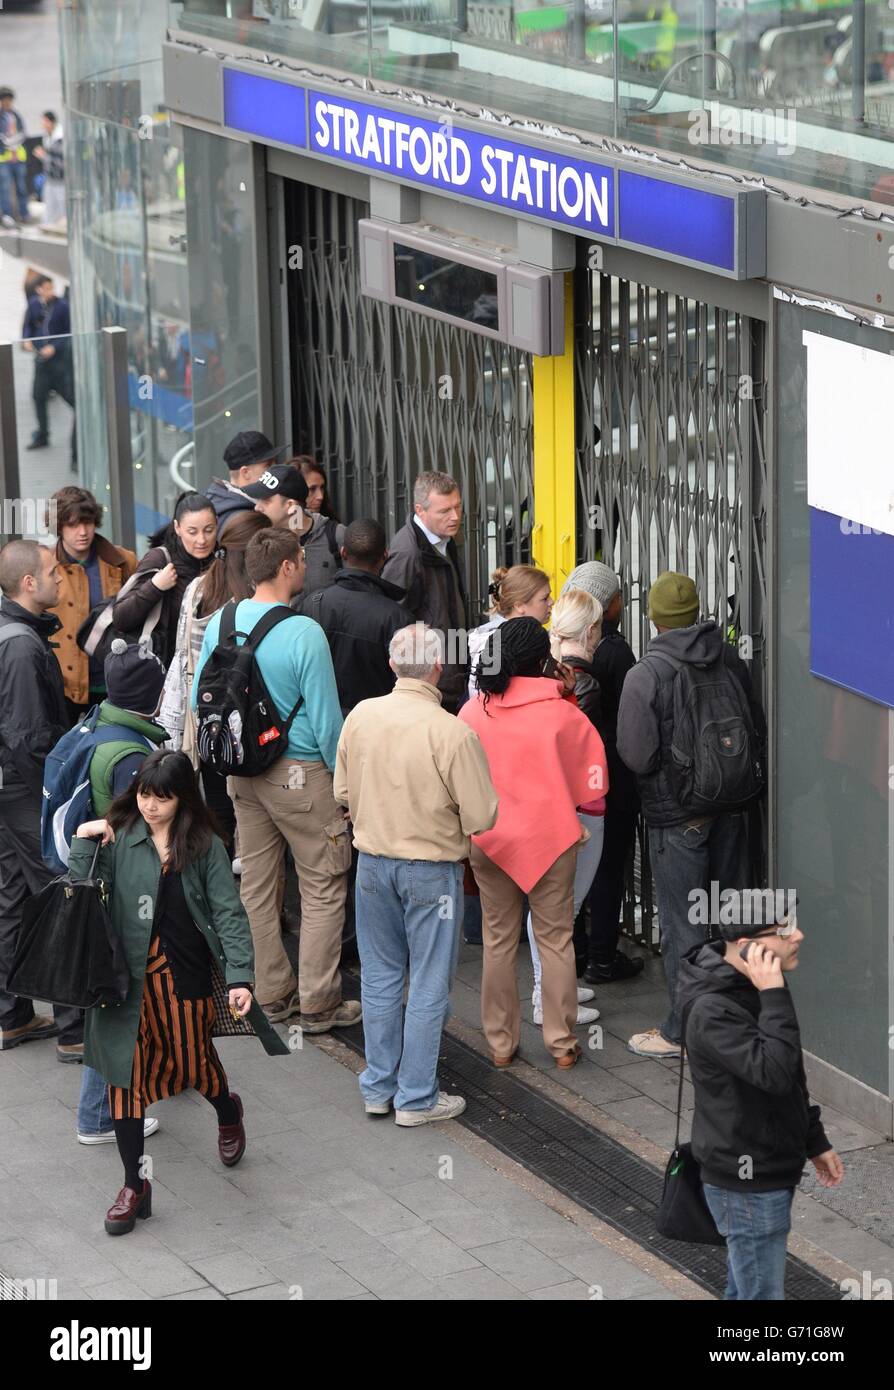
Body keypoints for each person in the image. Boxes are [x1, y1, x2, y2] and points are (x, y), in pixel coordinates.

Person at [70, 749, 286, 1236]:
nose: (150, 805)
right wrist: (86, 840)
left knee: (195, 1065)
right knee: (124, 1080)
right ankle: (134, 1186)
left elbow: (228, 911)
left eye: (161, 798)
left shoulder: (204, 843)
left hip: (181, 972)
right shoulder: (121, 835)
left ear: (182, 798)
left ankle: (228, 1111)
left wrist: (240, 977)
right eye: (145, 794)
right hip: (121, 981)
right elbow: (83, 887)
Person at [191, 528, 360, 1034]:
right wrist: (345, 786)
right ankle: (318, 1003)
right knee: (323, 886)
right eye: (302, 560)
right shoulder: (304, 632)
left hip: (242, 775)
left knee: (258, 888)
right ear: (288, 566)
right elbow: (329, 723)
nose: (306, 567)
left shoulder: (222, 621)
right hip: (301, 776)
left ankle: (270, 993)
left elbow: (203, 693)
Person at [334, 623, 498, 1124]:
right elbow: (482, 816)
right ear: (437, 669)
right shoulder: (451, 731)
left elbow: (341, 792)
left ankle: (378, 1087)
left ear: (391, 666)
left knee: (380, 978)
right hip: (431, 872)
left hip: (372, 866)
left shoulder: (361, 716)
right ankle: (417, 1096)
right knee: (428, 981)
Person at [617, 572, 766, 1059]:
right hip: (735, 808)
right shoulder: (729, 657)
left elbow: (636, 754)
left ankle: (684, 1031)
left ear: (654, 618)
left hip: (678, 818)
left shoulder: (646, 674)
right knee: (732, 918)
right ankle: (738, 1018)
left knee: (684, 926)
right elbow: (755, 725)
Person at [459, 617, 608, 1069]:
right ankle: (562, 1043)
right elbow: (594, 791)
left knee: (498, 939)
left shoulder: (473, 711)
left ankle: (501, 1044)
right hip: (551, 839)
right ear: (543, 660)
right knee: (556, 940)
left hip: (490, 838)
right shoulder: (564, 714)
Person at [678, 902, 844, 1300]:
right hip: (746, 1180)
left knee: (747, 1286)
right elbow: (774, 1073)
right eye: (784, 931)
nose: (798, 936)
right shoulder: (714, 1009)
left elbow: (791, 1075)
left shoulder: (750, 980)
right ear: (747, 945)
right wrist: (773, 995)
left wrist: (813, 1140)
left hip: (766, 1163)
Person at [74, 637, 169, 1147]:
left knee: (118, 995)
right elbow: (144, 831)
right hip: (126, 892)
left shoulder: (99, 724)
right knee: (119, 999)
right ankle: (96, 1115)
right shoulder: (131, 755)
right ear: (152, 695)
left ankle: (161, 1076)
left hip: (99, 884)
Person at [0, 541, 83, 1060]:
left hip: (9, 789)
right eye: (53, 572)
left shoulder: (17, 636)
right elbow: (30, 736)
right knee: (60, 895)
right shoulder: (22, 646)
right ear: (29, 584)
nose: (62, 580)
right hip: (27, 791)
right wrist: (56, 801)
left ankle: (12, 1013)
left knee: (12, 895)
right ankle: (75, 1028)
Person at [160, 508, 272, 850]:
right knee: (254, 817)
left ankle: (222, 880)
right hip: (248, 720)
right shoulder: (251, 604)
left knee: (219, 809)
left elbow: (182, 654)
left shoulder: (197, 588)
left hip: (206, 717)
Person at [525, 588, 605, 1027]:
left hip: (563, 805)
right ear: (591, 629)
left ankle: (557, 986)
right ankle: (547, 998)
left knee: (554, 906)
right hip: (580, 807)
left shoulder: (547, 673)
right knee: (560, 909)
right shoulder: (582, 682)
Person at [563, 562, 644, 984]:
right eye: (616, 595)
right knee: (609, 866)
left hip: (574, 779)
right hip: (610, 774)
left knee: (574, 867)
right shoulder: (614, 652)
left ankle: (574, 951)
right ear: (607, 606)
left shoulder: (558, 650)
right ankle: (602, 957)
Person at [297, 518, 413, 715]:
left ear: (343, 552)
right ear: (385, 555)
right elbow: (405, 688)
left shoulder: (312, 603)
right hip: (376, 726)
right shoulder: (398, 618)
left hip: (321, 722)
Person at [48, 486, 138, 725]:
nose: (83, 532)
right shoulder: (47, 567)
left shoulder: (122, 561)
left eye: (87, 523)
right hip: (66, 685)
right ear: (59, 527)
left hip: (113, 676)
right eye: (73, 525)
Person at [381, 471, 469, 714]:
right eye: (444, 511)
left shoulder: (444, 536)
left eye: (458, 507)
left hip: (450, 671)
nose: (455, 517)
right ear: (420, 510)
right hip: (429, 682)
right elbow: (395, 620)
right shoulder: (408, 554)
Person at [112, 492, 217, 670]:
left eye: (209, 530)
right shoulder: (160, 559)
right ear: (177, 528)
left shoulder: (221, 560)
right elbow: (121, 618)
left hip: (210, 671)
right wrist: (154, 587)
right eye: (192, 531)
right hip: (166, 675)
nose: (202, 540)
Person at [466, 564, 552, 700]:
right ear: (519, 606)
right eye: (545, 598)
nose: (551, 602)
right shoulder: (493, 643)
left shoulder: (530, 636)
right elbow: (486, 699)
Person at [21, 275, 75, 463]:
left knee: (73, 401)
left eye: (52, 288)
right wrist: (27, 340)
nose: (51, 292)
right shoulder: (34, 305)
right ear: (39, 290)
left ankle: (75, 453)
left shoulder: (62, 307)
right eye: (47, 288)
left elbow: (69, 333)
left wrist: (54, 347)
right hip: (41, 363)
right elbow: (27, 326)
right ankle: (43, 434)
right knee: (38, 397)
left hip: (59, 365)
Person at [206, 430, 286, 537]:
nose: (275, 469)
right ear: (245, 472)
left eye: (275, 462)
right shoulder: (241, 519)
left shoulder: (220, 504)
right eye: (268, 465)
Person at [0, 87, 28, 228]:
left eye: (9, 100)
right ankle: (7, 215)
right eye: (4, 100)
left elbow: (23, 133)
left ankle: (24, 213)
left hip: (19, 158)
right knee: (4, 188)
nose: (7, 102)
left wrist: (13, 141)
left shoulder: (16, 116)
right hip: (4, 159)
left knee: (21, 187)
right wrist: (9, 143)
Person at [35, 110, 65, 225]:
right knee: (49, 207)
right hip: (50, 179)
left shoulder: (60, 139)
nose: (42, 124)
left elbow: (61, 163)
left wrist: (44, 156)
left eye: (44, 121)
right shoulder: (47, 137)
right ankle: (48, 226)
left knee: (61, 208)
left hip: (61, 180)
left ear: (50, 122)